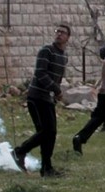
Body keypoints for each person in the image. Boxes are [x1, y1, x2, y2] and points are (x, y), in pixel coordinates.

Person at [11, 24, 70, 177]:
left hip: (48, 98)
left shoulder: (64, 56)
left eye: (63, 33)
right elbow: (40, 74)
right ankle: (19, 152)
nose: (59, 34)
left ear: (68, 37)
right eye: (57, 31)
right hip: (37, 96)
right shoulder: (46, 50)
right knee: (47, 131)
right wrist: (56, 90)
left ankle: (46, 168)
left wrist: (55, 94)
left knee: (50, 133)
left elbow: (57, 77)